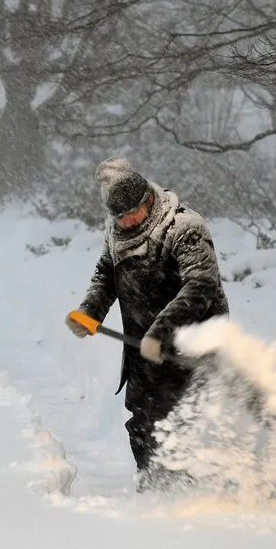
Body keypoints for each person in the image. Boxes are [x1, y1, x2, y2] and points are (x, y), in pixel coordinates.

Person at [66, 156, 229, 491]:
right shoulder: (116, 232)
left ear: (148, 199)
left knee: (186, 420)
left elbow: (201, 286)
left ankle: (197, 493)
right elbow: (106, 276)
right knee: (143, 421)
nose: (128, 221)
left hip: (192, 346)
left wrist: (161, 331)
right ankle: (155, 487)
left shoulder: (183, 227)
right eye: (120, 216)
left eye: (133, 212)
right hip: (143, 348)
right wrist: (90, 311)